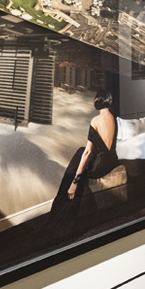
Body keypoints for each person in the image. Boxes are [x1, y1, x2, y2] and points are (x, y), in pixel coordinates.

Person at [42, 89, 119, 238]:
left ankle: (67, 195)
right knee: (81, 152)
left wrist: (75, 181)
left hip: (100, 166)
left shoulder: (95, 120)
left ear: (98, 101)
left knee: (81, 153)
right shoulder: (112, 117)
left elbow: (88, 152)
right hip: (111, 160)